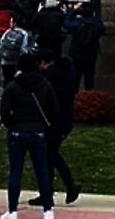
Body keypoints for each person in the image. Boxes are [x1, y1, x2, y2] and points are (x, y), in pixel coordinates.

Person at [0, 54, 60, 219]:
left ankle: (12, 210)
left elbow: (4, 111)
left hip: (18, 131)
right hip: (38, 131)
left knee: (15, 172)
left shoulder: (13, 86)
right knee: (42, 171)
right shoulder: (45, 84)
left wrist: (11, 124)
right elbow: (54, 109)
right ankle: (48, 209)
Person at [34, 50, 82, 207]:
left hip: (55, 122)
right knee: (49, 155)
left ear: (43, 62)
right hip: (64, 121)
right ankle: (49, 191)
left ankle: (67, 185)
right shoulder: (67, 73)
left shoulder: (50, 76)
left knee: (50, 154)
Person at [64, 2, 106, 91]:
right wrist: (94, 17)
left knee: (75, 80)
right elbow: (102, 27)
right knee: (89, 80)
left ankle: (74, 99)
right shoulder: (97, 26)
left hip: (77, 55)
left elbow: (66, 22)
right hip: (91, 55)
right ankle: (88, 99)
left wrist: (74, 11)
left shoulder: (76, 25)